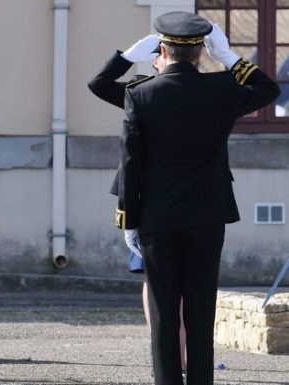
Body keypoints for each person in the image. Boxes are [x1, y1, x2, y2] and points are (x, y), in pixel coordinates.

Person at [115, 12, 279, 385]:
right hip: (207, 216)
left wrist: (128, 218)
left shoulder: (140, 94)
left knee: (163, 317)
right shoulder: (222, 89)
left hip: (158, 218)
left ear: (163, 49)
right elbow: (268, 90)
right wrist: (230, 57)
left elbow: (130, 163)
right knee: (201, 315)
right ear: (200, 50)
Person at [88, 37, 188, 375]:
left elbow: (100, 83)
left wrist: (129, 57)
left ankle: (176, 351)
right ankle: (168, 347)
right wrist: (126, 57)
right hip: (153, 197)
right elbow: (98, 85)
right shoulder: (142, 90)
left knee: (165, 279)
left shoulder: (193, 90)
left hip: (161, 198)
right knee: (158, 278)